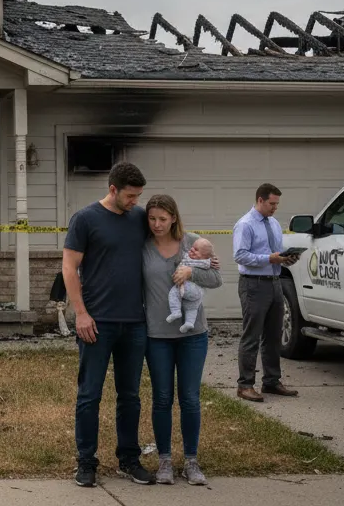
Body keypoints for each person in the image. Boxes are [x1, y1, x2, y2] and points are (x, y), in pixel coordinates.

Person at [62, 161, 154, 488]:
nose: (135, 201)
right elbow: (69, 268)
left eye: (138, 196)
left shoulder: (140, 218)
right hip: (97, 324)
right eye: (130, 196)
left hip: (135, 323)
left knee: (130, 395)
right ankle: (85, 462)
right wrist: (81, 313)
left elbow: (173, 235)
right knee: (89, 395)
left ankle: (129, 459)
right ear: (113, 189)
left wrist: (202, 255)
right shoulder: (85, 219)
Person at [141, 194, 222, 486]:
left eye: (163, 218)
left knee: (189, 398)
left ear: (174, 217)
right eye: (152, 218)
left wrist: (193, 271)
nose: (157, 224)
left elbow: (217, 279)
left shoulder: (193, 243)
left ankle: (191, 461)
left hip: (193, 335)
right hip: (157, 335)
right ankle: (164, 461)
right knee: (162, 398)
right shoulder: (143, 247)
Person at [233, 182, 300, 402]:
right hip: (253, 284)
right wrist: (269, 259)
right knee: (252, 335)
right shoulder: (245, 225)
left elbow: (275, 253)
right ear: (260, 200)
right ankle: (245, 385)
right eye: (272, 203)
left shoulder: (273, 223)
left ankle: (271, 381)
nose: (275, 208)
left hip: (274, 281)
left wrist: (286, 258)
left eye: (277, 204)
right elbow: (240, 256)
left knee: (273, 335)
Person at [166, 238, 215, 334]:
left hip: (189, 287)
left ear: (204, 256)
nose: (192, 250)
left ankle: (176, 311)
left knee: (174, 293)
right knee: (191, 307)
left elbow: (182, 264)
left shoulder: (194, 260)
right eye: (192, 247)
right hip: (198, 293)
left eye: (196, 250)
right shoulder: (206, 262)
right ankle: (189, 323)